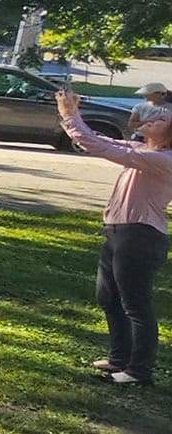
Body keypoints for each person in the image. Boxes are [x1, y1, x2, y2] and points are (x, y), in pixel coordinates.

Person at [57, 90, 172, 386]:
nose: (153, 118)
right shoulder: (142, 149)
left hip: (141, 236)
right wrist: (74, 117)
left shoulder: (162, 159)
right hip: (119, 232)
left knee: (135, 304)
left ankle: (138, 372)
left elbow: (98, 146)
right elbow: (103, 141)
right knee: (109, 298)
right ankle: (119, 359)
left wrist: (70, 115)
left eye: (162, 118)